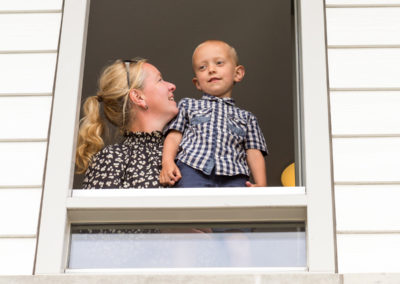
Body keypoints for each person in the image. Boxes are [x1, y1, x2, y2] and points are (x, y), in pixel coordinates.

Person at [160, 40, 268, 188]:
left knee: (235, 209)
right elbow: (174, 136)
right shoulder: (188, 105)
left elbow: (254, 151)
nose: (211, 69)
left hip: (234, 175)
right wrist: (167, 163)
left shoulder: (247, 118)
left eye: (219, 63)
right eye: (202, 67)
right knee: (189, 207)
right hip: (192, 170)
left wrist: (261, 184)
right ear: (197, 82)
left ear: (238, 73)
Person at [75, 58, 178, 189]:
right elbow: (97, 209)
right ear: (138, 97)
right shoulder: (111, 159)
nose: (172, 86)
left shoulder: (187, 147)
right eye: (160, 80)